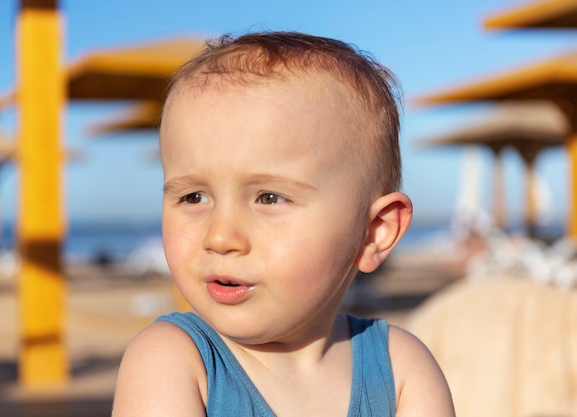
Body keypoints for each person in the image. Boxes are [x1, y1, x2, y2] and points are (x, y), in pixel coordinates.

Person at [112, 31, 455, 417]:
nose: (220, 236)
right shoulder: (173, 362)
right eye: (194, 197)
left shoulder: (402, 369)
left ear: (375, 231)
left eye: (269, 198)